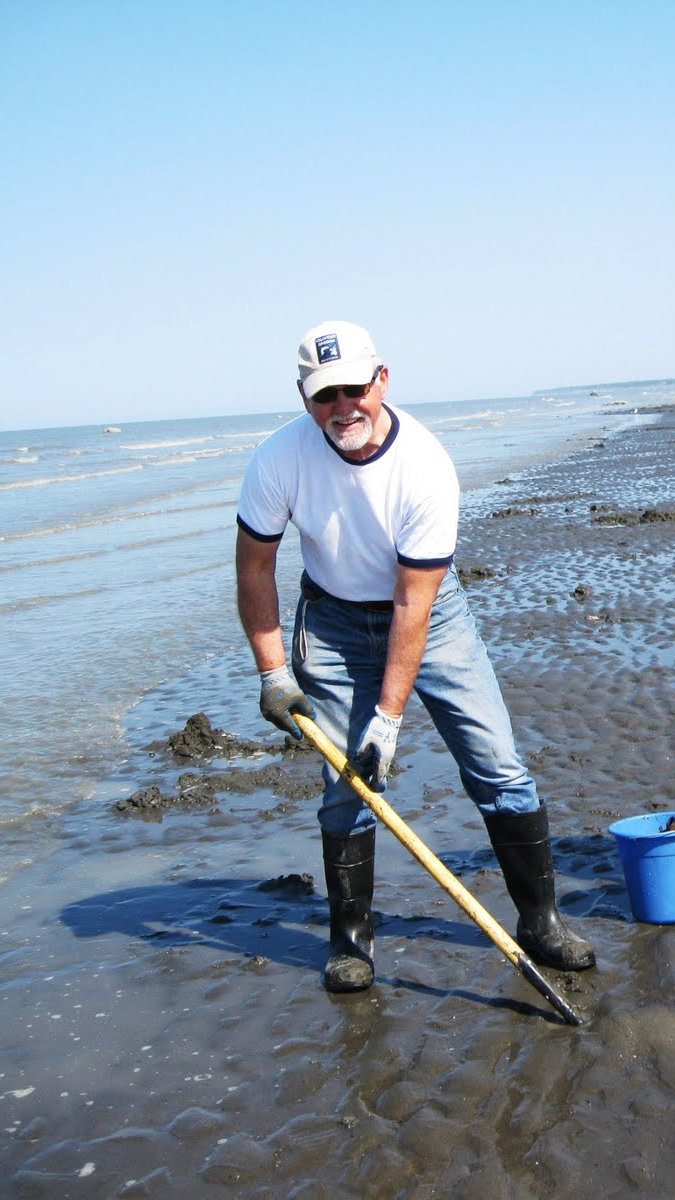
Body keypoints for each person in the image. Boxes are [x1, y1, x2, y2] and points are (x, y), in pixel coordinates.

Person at [235, 320, 595, 992]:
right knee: (347, 788)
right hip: (335, 621)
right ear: (303, 398)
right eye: (324, 395)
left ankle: (540, 921)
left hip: (431, 612)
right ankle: (351, 943)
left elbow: (413, 604)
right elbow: (255, 567)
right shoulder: (278, 460)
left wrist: (390, 720)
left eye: (354, 389)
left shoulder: (424, 465)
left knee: (498, 764)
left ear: (382, 381)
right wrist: (273, 671)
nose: (342, 406)